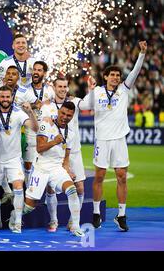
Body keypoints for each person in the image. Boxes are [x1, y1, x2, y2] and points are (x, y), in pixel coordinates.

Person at [92, 41, 147, 232]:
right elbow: (84, 105)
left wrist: (141, 53)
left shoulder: (124, 89)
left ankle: (121, 215)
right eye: (112, 75)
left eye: (118, 75)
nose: (115, 77)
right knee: (98, 176)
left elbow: (135, 72)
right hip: (102, 139)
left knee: (121, 176)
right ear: (105, 76)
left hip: (119, 139)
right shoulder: (97, 91)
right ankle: (96, 213)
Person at [39, 76, 95, 232]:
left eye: (65, 87)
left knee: (80, 187)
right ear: (54, 88)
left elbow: (88, 105)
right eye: (60, 86)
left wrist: (91, 90)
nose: (62, 89)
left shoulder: (75, 102)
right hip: (54, 154)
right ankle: (53, 220)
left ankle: (72, 221)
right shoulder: (46, 106)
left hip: (74, 152)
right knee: (51, 188)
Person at [24, 101, 84, 237]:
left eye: (69, 115)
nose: (65, 117)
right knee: (28, 207)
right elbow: (39, 148)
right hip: (41, 167)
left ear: (72, 116)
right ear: (58, 111)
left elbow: (66, 157)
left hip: (56, 168)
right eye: (63, 113)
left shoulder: (72, 133)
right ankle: (13, 215)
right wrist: (54, 142)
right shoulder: (46, 124)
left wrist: (68, 170)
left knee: (72, 190)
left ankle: (75, 226)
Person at [0, 86, 38, 233]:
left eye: (7, 97)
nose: (5, 99)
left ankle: (17, 222)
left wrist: (30, 112)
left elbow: (35, 128)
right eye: (2, 97)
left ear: (12, 98)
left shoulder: (19, 113)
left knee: (18, 187)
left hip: (14, 159)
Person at [23, 61, 55, 184]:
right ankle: (28, 190)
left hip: (46, 131)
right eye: (34, 70)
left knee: (46, 164)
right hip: (30, 130)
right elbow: (20, 106)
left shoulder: (50, 90)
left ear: (44, 73)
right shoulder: (25, 90)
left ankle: (46, 193)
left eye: (39, 70)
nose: (36, 72)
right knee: (28, 164)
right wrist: (36, 105)